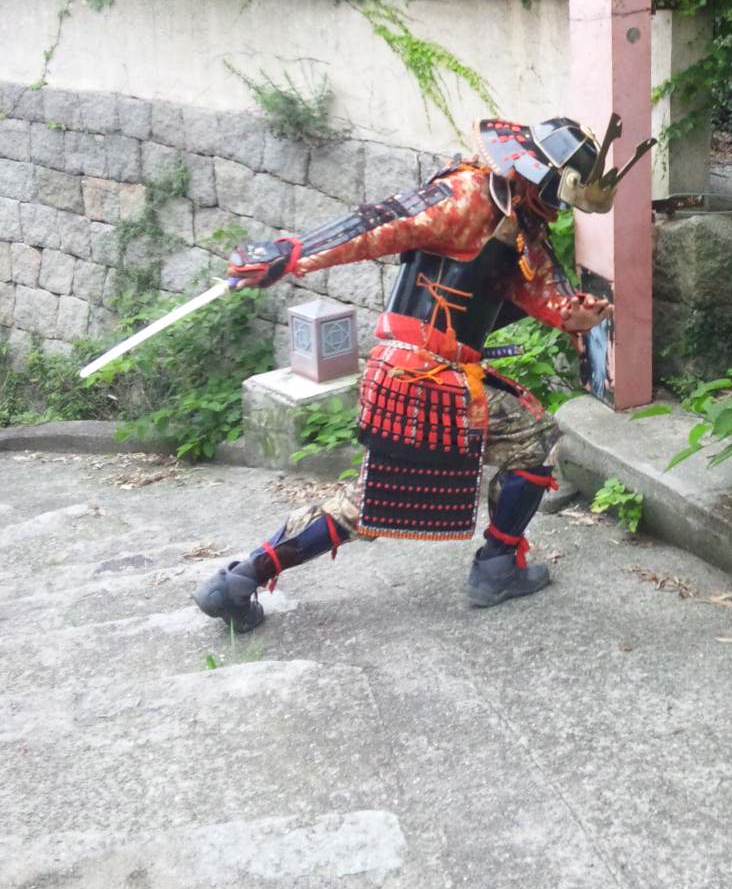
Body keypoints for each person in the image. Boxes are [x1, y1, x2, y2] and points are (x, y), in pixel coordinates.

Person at [192, 114, 651, 631]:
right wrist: (294, 253)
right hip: (423, 376)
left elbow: (545, 296)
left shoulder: (520, 224)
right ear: (545, 177)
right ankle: (245, 578)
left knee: (508, 444)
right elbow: (381, 224)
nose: (561, 208)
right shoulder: (470, 196)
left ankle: (241, 580)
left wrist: (576, 313)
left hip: (436, 372)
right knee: (377, 501)